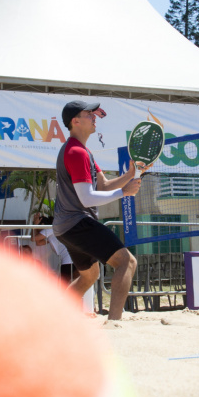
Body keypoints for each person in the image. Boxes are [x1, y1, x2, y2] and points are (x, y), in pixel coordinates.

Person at [53, 100, 142, 320]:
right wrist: (124, 193)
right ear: (75, 121)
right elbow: (87, 198)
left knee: (89, 274)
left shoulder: (81, 151)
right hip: (77, 222)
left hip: (66, 226)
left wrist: (131, 174)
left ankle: (56, 319)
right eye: (89, 114)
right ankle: (114, 323)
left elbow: (102, 186)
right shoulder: (76, 152)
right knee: (127, 262)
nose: (94, 117)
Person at [32, 213, 77, 284]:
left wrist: (34, 225)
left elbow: (34, 238)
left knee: (63, 286)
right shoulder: (52, 232)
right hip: (71, 260)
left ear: (42, 224)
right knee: (67, 285)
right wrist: (35, 226)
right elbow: (39, 242)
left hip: (68, 261)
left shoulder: (50, 229)